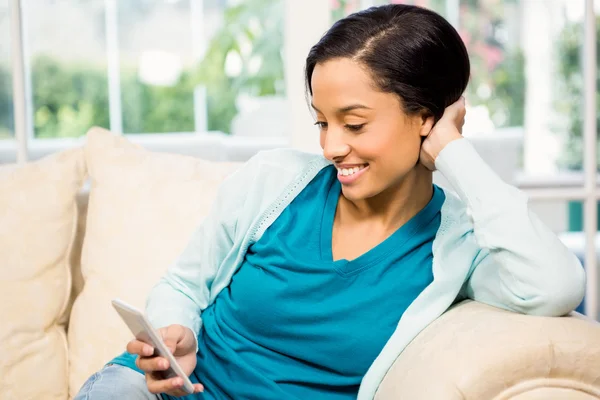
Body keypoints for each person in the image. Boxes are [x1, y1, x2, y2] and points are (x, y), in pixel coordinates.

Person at [74, 4, 585, 400]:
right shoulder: (272, 183)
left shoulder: (455, 247)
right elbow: (183, 283)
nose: (331, 146)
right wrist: (177, 335)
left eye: (355, 123)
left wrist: (455, 151)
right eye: (323, 121)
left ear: (427, 117)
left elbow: (554, 284)